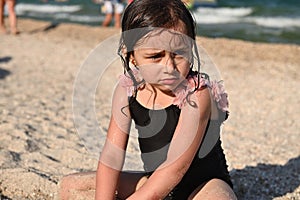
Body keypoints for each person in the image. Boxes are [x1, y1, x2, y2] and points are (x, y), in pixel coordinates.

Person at [60, 0, 237, 199]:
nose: (169, 67)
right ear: (132, 56)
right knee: (71, 184)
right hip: (154, 182)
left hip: (202, 186)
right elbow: (112, 155)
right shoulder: (128, 90)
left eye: (179, 54)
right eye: (155, 56)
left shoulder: (197, 93)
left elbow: (175, 166)